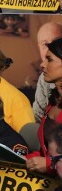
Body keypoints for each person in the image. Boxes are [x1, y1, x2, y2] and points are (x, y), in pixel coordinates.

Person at [27, 36, 62, 174]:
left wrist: (49, 164)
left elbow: (49, 160)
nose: (42, 65)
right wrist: (23, 159)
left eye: (50, 59)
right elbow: (45, 151)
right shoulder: (53, 101)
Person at [33, 21, 62, 120]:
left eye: (56, 42)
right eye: (45, 44)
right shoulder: (44, 78)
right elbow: (37, 116)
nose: (49, 49)